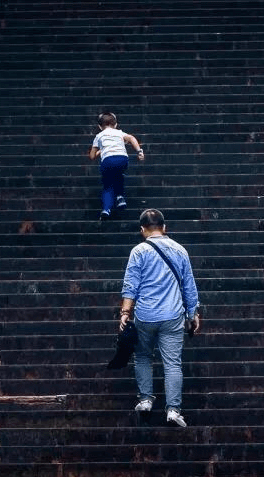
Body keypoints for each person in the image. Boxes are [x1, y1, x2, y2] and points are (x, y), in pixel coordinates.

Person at [119, 209, 201, 427]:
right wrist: (193, 314)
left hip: (145, 315)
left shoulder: (139, 251)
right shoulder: (180, 250)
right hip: (172, 315)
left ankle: (145, 399)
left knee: (143, 357)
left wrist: (125, 313)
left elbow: (130, 284)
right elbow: (188, 286)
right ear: (164, 227)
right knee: (173, 363)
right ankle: (173, 410)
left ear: (142, 230)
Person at [89, 112, 145, 221]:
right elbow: (131, 138)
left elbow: (92, 156)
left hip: (108, 161)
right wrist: (139, 151)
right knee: (119, 175)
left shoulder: (99, 136)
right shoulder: (119, 133)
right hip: (122, 159)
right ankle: (120, 197)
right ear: (115, 124)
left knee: (108, 185)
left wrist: (101, 150)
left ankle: (106, 209)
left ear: (99, 126)